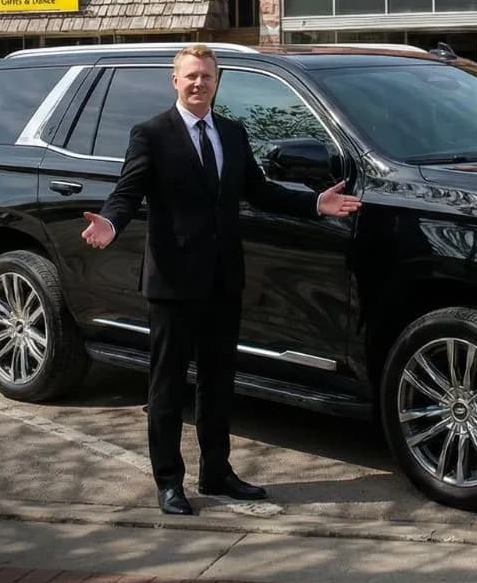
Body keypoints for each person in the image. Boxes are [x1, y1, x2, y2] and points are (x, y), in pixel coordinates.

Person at [80, 44, 361, 516]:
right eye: (190, 76)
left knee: (218, 383)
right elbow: (127, 192)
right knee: (167, 387)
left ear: (217, 82)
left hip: (223, 281)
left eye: (206, 77)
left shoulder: (231, 133)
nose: (198, 84)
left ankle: (217, 472)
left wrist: (314, 203)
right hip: (172, 283)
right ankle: (169, 482)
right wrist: (110, 223)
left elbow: (259, 191)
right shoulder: (151, 134)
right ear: (175, 81)